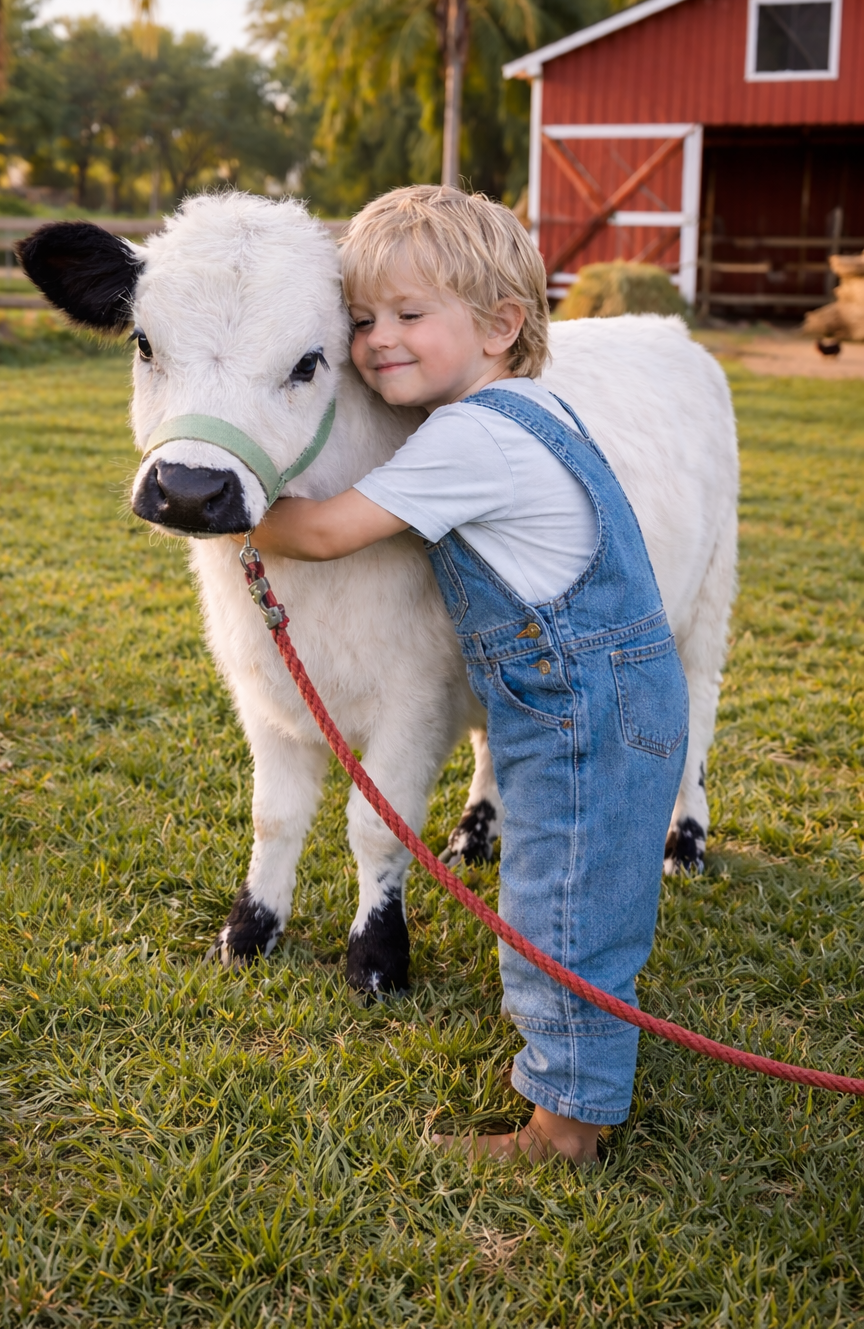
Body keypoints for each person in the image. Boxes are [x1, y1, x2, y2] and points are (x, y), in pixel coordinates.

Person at [250, 185, 689, 1166]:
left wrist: (229, 497)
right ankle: (566, 1074)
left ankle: (563, 1128)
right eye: (362, 319)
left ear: (500, 325)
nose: (377, 341)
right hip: (616, 690)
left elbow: (321, 531)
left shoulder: (468, 439)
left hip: (578, 711)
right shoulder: (532, 409)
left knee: (561, 905)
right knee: (585, 891)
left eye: (409, 316)